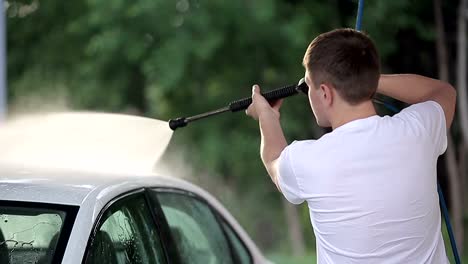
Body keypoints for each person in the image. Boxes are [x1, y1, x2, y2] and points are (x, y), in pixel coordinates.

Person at [246, 28, 457, 263]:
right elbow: (443, 92)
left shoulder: (307, 161)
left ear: (325, 93)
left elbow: (274, 160)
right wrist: (365, 81)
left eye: (309, 85)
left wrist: (266, 116)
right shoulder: (418, 132)